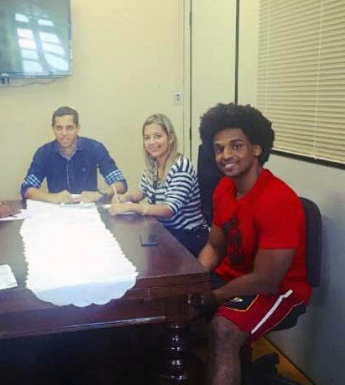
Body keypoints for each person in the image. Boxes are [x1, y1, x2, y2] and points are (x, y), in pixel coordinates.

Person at [197, 103, 311, 385]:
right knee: (174, 307)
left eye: (236, 145)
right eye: (219, 149)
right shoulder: (224, 188)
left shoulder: (278, 199)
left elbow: (266, 280)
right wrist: (192, 281)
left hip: (280, 290)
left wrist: (212, 296)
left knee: (223, 330)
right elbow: (214, 247)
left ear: (257, 148)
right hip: (235, 277)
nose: (225, 155)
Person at [109, 113, 208, 256]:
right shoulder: (153, 163)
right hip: (165, 230)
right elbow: (141, 191)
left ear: (171, 138)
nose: (152, 142)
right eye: (147, 138)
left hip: (188, 234)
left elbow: (169, 209)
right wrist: (125, 197)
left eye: (158, 136)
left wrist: (131, 207)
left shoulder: (181, 166)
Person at [21, 106, 127, 204]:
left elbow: (120, 183)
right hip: (57, 211)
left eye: (69, 128)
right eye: (59, 128)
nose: (64, 133)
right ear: (53, 129)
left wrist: (100, 194)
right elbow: (26, 188)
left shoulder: (95, 148)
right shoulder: (44, 153)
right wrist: (50, 197)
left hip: (89, 210)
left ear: (77, 128)